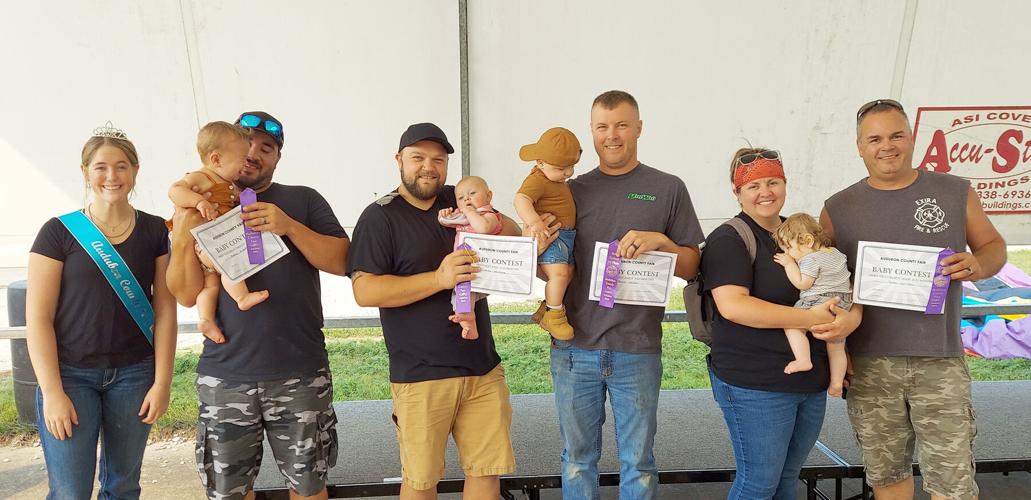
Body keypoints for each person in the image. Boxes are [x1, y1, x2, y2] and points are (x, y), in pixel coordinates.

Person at [822, 99, 1006, 500]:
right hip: (869, 363)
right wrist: (837, 348)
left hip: (939, 360)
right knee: (887, 476)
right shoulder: (837, 208)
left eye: (896, 135)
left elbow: (994, 246)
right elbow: (828, 288)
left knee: (953, 481)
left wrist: (977, 264)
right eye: (874, 139)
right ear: (858, 146)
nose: (886, 146)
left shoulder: (954, 191)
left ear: (911, 138)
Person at [165, 111, 350, 500]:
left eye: (266, 148)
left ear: (277, 158)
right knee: (228, 492)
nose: (253, 153)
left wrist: (290, 226)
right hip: (226, 376)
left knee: (310, 488)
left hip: (300, 372)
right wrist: (183, 236)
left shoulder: (303, 199)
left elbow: (342, 261)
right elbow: (183, 294)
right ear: (222, 153)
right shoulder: (204, 202)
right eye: (245, 144)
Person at [348, 123, 520, 500]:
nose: (428, 167)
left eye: (438, 160)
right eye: (418, 158)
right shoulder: (380, 216)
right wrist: (439, 278)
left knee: (487, 474)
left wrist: (493, 221)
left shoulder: (459, 199)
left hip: (482, 368)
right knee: (422, 481)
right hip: (420, 376)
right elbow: (365, 290)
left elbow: (511, 232)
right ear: (399, 160)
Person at [551, 90, 703, 499]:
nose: (612, 135)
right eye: (602, 126)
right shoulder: (570, 191)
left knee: (639, 463)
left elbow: (693, 266)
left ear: (639, 127)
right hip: (573, 347)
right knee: (578, 459)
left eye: (621, 125)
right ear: (592, 132)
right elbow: (547, 263)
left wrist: (662, 242)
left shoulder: (667, 187)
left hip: (637, 346)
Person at [26, 123, 177, 499]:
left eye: (122, 166)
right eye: (101, 166)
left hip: (135, 374)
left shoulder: (156, 231)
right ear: (85, 172)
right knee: (70, 491)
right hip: (70, 375)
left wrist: (162, 383)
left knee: (123, 486)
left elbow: (166, 309)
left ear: (135, 172)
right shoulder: (57, 232)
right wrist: (52, 391)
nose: (112, 175)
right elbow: (38, 319)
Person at [702, 147, 863, 499]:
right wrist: (808, 319)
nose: (765, 192)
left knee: (788, 478)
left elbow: (839, 286)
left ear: (785, 183)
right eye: (753, 186)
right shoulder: (728, 239)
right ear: (737, 192)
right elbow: (733, 307)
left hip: (811, 378)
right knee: (758, 482)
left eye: (773, 182)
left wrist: (845, 327)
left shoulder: (804, 236)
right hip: (755, 382)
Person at [167, 121, 269, 341]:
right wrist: (198, 202)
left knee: (210, 283)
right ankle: (241, 297)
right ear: (215, 159)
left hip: (208, 243)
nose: (246, 163)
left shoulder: (227, 181)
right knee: (228, 263)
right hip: (204, 242)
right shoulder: (202, 178)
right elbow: (175, 190)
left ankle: (205, 320)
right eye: (241, 159)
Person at [772, 213, 851, 397]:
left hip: (819, 298)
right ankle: (837, 383)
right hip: (842, 303)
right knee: (836, 346)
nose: (789, 253)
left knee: (792, 325)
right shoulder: (836, 253)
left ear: (807, 241)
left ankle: (803, 360)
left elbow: (803, 283)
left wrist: (789, 265)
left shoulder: (811, 259)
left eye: (789, 248)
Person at [514, 126, 581, 341]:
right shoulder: (537, 180)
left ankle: (546, 308)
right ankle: (555, 316)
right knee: (559, 275)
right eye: (561, 168)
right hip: (551, 237)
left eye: (571, 166)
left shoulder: (554, 178)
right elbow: (520, 200)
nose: (568, 173)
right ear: (540, 163)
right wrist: (534, 222)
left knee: (569, 275)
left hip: (566, 238)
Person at [438, 175, 503, 340]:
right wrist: (445, 214)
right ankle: (468, 323)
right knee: (462, 294)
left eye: (472, 193)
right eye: (460, 198)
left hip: (483, 265)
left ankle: (468, 317)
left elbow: (483, 228)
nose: (466, 198)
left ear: (488, 196)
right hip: (465, 264)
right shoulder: (464, 214)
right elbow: (445, 221)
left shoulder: (489, 215)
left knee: (468, 291)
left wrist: (468, 211)